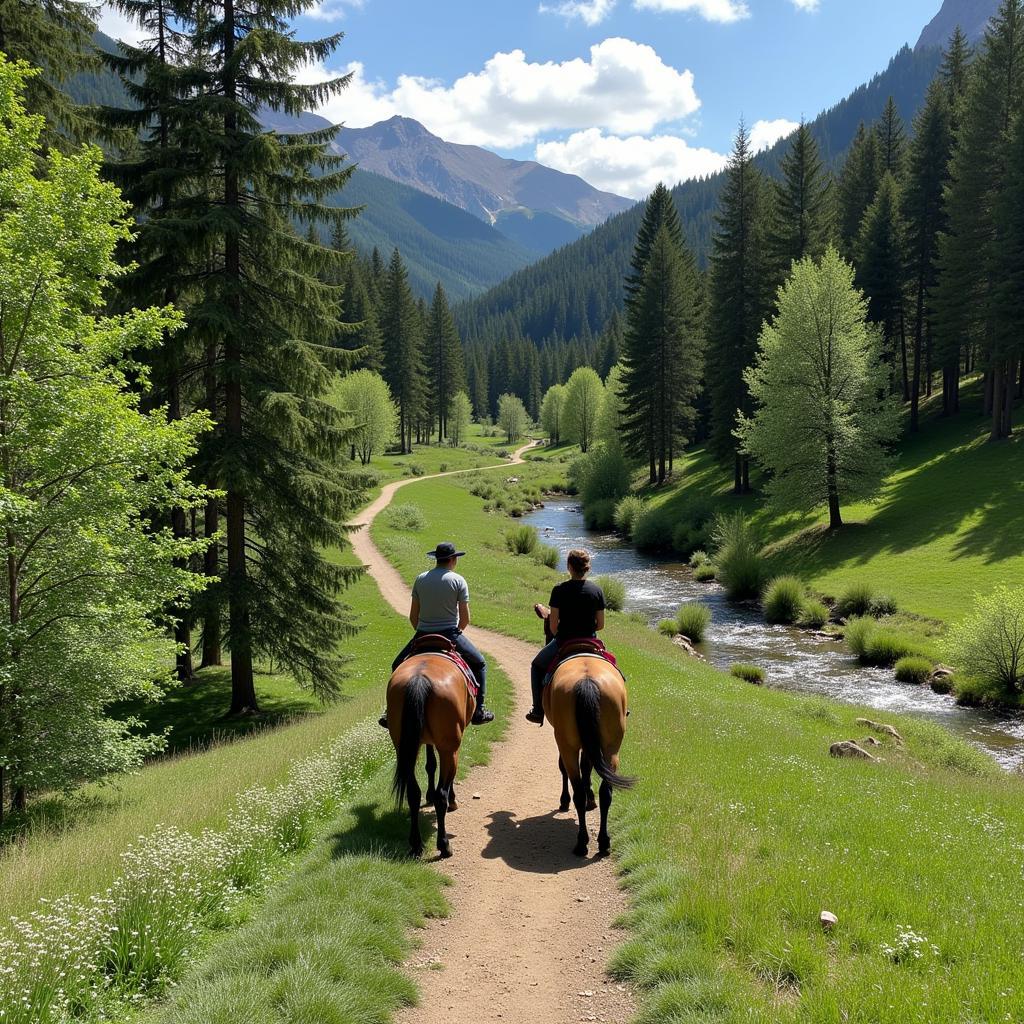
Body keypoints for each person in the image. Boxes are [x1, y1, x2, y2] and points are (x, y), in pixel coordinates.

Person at [379, 541, 494, 727]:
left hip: (422, 633)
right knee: (479, 663)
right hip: (450, 634)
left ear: (436, 559)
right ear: (453, 559)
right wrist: (457, 633)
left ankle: (389, 711)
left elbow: (413, 617)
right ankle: (479, 710)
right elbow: (465, 619)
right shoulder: (458, 580)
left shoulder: (421, 579)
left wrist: (423, 630)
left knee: (396, 664)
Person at [526, 548, 605, 725]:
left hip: (564, 641)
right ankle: (622, 706)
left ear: (569, 566)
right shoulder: (596, 591)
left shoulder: (559, 590)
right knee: (614, 668)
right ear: (587, 568)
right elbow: (600, 625)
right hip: (591, 642)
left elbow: (553, 626)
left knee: (537, 666)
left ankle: (538, 710)